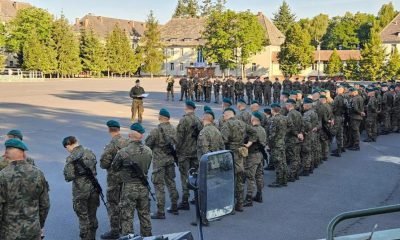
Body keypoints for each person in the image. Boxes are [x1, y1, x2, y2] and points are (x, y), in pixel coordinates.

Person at [0, 139, 50, 240]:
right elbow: (45, 204)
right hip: (33, 230)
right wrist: (39, 224)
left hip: (9, 233)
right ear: (24, 153)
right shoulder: (38, 173)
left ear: (6, 154)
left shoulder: (2, 176)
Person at [111, 123, 152, 237]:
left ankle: (129, 237)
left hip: (129, 187)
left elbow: (114, 167)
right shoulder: (148, 150)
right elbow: (147, 167)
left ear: (129, 135)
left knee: (127, 217)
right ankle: (148, 237)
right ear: (142, 136)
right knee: (145, 215)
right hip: (144, 186)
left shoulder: (123, 152)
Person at [63, 136, 99, 240]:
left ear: (68, 145)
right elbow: (94, 169)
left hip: (80, 191)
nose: (67, 150)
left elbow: (68, 176)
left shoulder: (71, 158)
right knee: (92, 215)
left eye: (66, 148)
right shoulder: (90, 152)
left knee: (83, 218)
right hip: (94, 188)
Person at [145, 109, 179, 219]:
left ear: (160, 117)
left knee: (159, 185)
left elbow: (147, 144)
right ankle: (174, 205)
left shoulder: (156, 130)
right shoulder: (173, 129)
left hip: (159, 161)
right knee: (171, 182)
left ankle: (160, 211)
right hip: (170, 159)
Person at [220, 107, 256, 212]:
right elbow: (254, 132)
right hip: (241, 152)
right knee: (240, 179)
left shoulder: (227, 125)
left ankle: (229, 204)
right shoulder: (242, 123)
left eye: (224, 115)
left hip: (231, 154)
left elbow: (223, 140)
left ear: (227, 115)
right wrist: (248, 144)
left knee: (229, 179)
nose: (223, 117)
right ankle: (239, 203)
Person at [100, 120, 130, 240]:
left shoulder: (111, 145)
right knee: (124, 203)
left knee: (113, 205)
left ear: (109, 130)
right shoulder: (128, 142)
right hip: (127, 178)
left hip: (114, 180)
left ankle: (114, 231)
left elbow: (104, 164)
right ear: (119, 129)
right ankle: (125, 228)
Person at [176, 100, 203, 210]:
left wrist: (177, 151)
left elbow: (179, 138)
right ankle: (197, 198)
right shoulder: (198, 120)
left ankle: (185, 200)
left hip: (185, 153)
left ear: (186, 108)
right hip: (195, 152)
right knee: (195, 176)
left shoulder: (184, 120)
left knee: (184, 177)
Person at [243, 112, 267, 207]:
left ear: (254, 119)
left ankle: (249, 198)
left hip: (252, 155)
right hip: (260, 154)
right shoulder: (262, 129)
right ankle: (259, 194)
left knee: (250, 177)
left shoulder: (253, 130)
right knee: (259, 175)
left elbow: (246, 140)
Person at [267, 103, 288, 188]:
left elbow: (272, 134)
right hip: (282, 142)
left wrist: (269, 144)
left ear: (272, 110)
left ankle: (279, 181)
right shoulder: (284, 118)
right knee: (283, 162)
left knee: (278, 163)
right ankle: (284, 180)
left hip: (276, 144)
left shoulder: (274, 119)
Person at [285, 99, 304, 182]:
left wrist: (296, 134)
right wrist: (301, 133)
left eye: (286, 104)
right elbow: (303, 124)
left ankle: (292, 175)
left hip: (292, 138)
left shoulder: (290, 114)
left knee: (293, 157)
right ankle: (296, 174)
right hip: (298, 138)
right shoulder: (299, 113)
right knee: (297, 157)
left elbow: (290, 127)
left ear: (289, 105)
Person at [301, 98, 319, 175]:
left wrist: (303, 133)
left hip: (308, 135)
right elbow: (317, 123)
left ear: (307, 105)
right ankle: (311, 167)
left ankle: (306, 169)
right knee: (311, 151)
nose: (303, 106)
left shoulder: (307, 114)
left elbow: (306, 125)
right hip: (313, 134)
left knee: (306, 152)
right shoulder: (314, 112)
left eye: (304, 105)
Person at [331, 85, 347, 157]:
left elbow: (333, 108)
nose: (336, 90)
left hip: (337, 116)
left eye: (337, 89)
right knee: (340, 133)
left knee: (336, 133)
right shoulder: (344, 97)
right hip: (342, 116)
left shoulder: (337, 98)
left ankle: (339, 151)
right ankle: (341, 148)